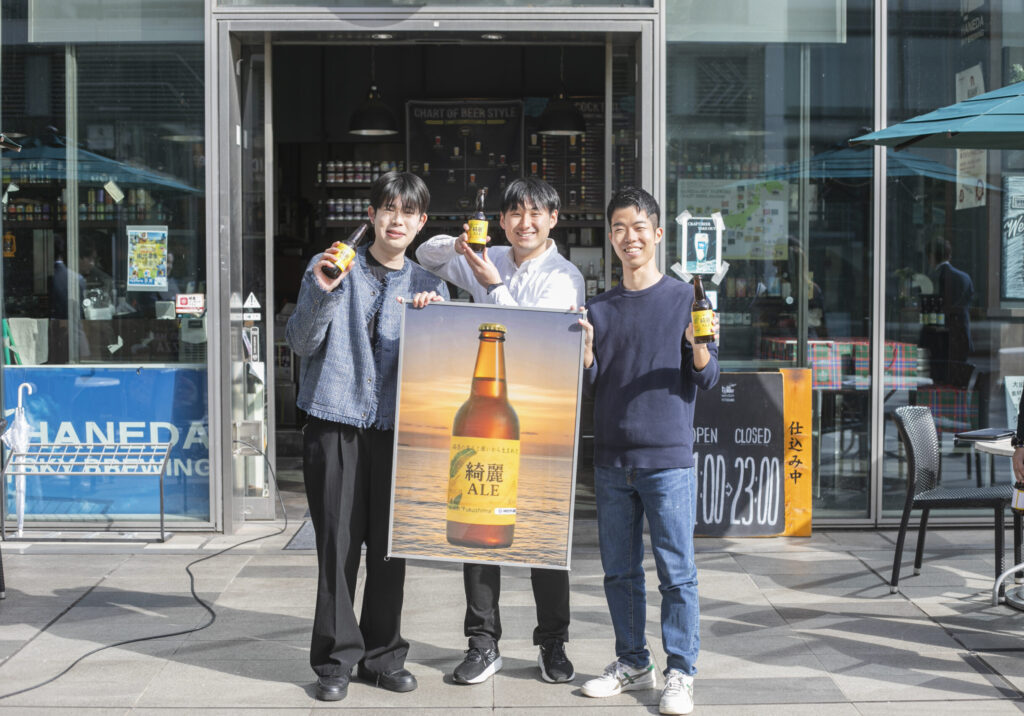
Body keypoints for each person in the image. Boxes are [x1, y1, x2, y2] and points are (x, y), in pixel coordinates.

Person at [413, 177, 585, 686]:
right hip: (488, 417)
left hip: (542, 418)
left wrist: (490, 284)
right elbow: (424, 254)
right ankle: (482, 642)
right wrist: (463, 246)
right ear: (502, 220)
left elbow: (534, 338)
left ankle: (552, 642)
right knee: (476, 527)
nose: (524, 223)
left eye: (535, 214)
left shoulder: (565, 276)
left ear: (554, 218)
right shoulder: (488, 256)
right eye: (515, 214)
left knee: (544, 534)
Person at [285, 171, 449, 703]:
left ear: (421, 223)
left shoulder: (430, 286)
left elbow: (440, 372)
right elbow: (301, 341)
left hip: (399, 431)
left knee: (389, 549)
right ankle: (335, 661)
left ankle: (383, 656)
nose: (397, 220)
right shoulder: (331, 265)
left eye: (409, 212)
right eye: (388, 209)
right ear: (372, 215)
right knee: (337, 546)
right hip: (335, 423)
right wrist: (323, 290)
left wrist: (432, 324)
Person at [577, 187, 720, 716]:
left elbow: (709, 377)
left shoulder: (687, 300)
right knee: (619, 572)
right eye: (619, 228)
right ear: (611, 237)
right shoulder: (599, 307)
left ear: (658, 234)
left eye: (639, 227)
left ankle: (681, 671)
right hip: (612, 459)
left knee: (676, 573)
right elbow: (593, 383)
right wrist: (585, 355)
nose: (629, 237)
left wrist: (699, 346)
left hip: (668, 460)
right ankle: (633, 661)